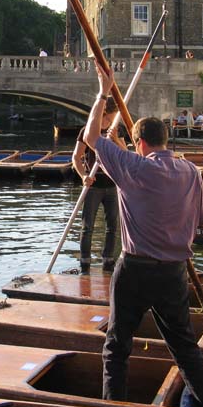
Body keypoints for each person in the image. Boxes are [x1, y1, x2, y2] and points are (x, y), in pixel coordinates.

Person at [83, 62, 203, 407]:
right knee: (185, 347)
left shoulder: (134, 167)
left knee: (117, 345)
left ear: (140, 143)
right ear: (164, 140)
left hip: (135, 269)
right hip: (174, 270)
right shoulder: (191, 171)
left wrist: (103, 93)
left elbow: (91, 138)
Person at [72, 96, 122, 274]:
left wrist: (116, 139)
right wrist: (83, 175)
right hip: (93, 185)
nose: (117, 116)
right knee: (87, 226)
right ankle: (85, 262)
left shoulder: (115, 130)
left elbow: (125, 154)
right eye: (115, 113)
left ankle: (108, 261)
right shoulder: (87, 131)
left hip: (112, 184)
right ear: (106, 113)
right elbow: (76, 157)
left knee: (112, 226)